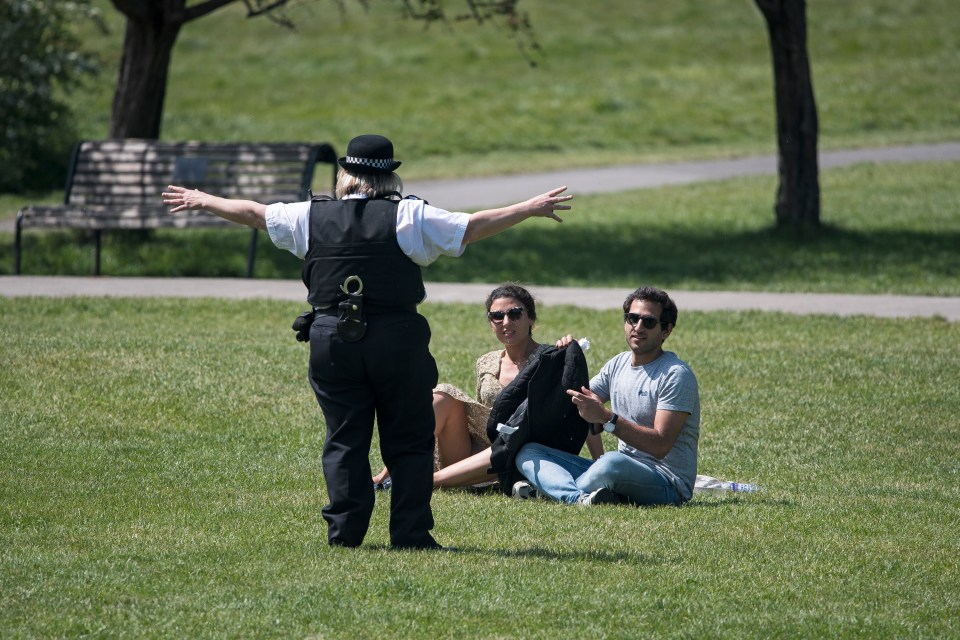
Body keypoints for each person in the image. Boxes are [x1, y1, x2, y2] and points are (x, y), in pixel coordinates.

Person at [162, 134, 573, 549]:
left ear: (345, 175)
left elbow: (253, 213)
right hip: (397, 340)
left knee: (344, 439)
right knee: (409, 438)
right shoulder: (408, 216)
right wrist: (528, 208)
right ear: (389, 177)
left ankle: (345, 534)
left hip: (332, 342)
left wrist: (205, 199)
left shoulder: (309, 215)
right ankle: (410, 535)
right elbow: (470, 228)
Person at [372, 283, 602, 490]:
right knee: (442, 394)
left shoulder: (552, 360)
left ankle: (418, 481)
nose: (506, 322)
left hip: (522, 452)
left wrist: (598, 463)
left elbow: (584, 410)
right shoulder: (487, 361)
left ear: (530, 318)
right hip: (479, 451)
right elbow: (483, 416)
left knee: (510, 442)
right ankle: (389, 471)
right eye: (497, 316)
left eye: (514, 314)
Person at [513, 286, 699, 506]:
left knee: (611, 462)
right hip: (619, 470)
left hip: (667, 483)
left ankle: (555, 492)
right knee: (528, 451)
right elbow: (575, 402)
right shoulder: (618, 363)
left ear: (666, 330)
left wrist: (608, 419)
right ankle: (579, 497)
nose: (638, 327)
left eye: (648, 322)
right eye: (632, 318)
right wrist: (561, 359)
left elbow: (660, 446)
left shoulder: (676, 374)